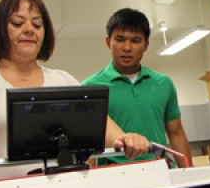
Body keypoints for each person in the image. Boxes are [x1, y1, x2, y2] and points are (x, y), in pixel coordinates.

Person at [0, 0, 150, 178]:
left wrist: (127, 139)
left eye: (37, 24)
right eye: (18, 23)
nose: (29, 30)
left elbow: (104, 128)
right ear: (0, 29)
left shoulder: (64, 80)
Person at [82, 8, 192, 167]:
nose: (127, 47)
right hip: (115, 176)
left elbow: (176, 134)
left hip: (161, 170)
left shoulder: (164, 83)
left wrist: (188, 174)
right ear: (108, 42)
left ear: (146, 45)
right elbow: (88, 144)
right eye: (120, 39)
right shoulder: (90, 88)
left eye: (135, 40)